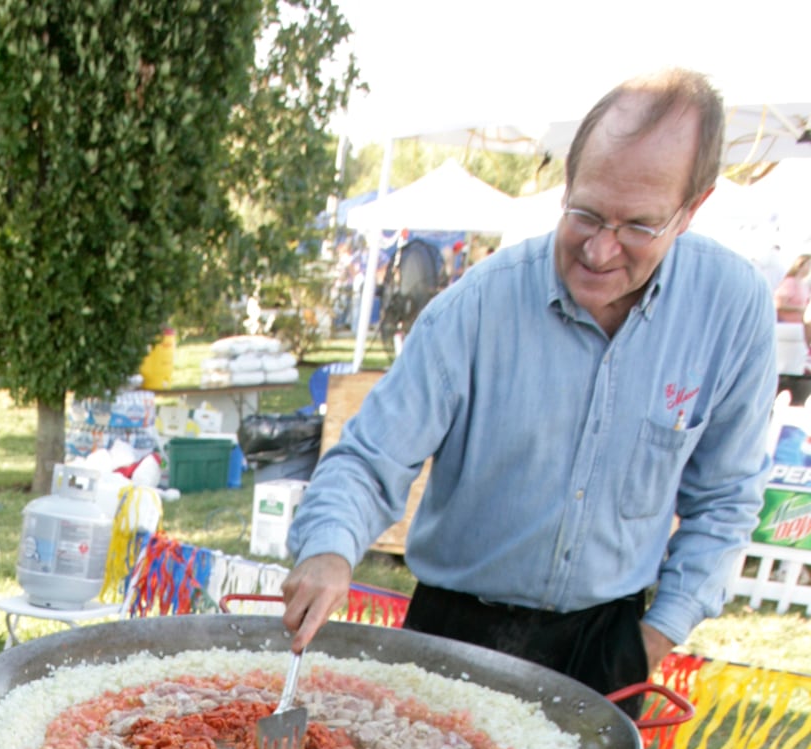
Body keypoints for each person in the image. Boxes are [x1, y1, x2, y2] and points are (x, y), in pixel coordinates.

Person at [282, 70, 778, 702]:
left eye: (637, 227)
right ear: (565, 183)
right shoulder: (477, 307)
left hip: (607, 634)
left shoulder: (731, 307)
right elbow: (370, 459)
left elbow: (728, 497)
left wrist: (654, 635)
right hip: (455, 629)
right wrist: (328, 551)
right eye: (587, 214)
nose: (600, 250)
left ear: (691, 210)